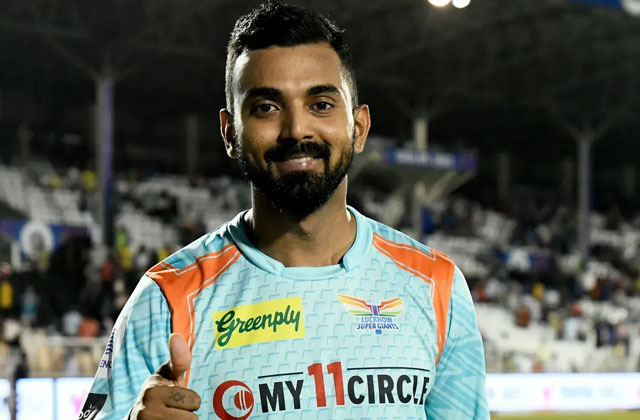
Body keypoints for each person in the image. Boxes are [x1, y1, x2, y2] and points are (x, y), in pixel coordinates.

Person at [81, 2, 489, 419]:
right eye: (266, 107)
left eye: (321, 104)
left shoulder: (436, 287)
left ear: (359, 127)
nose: (296, 130)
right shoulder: (166, 299)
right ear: (230, 133)